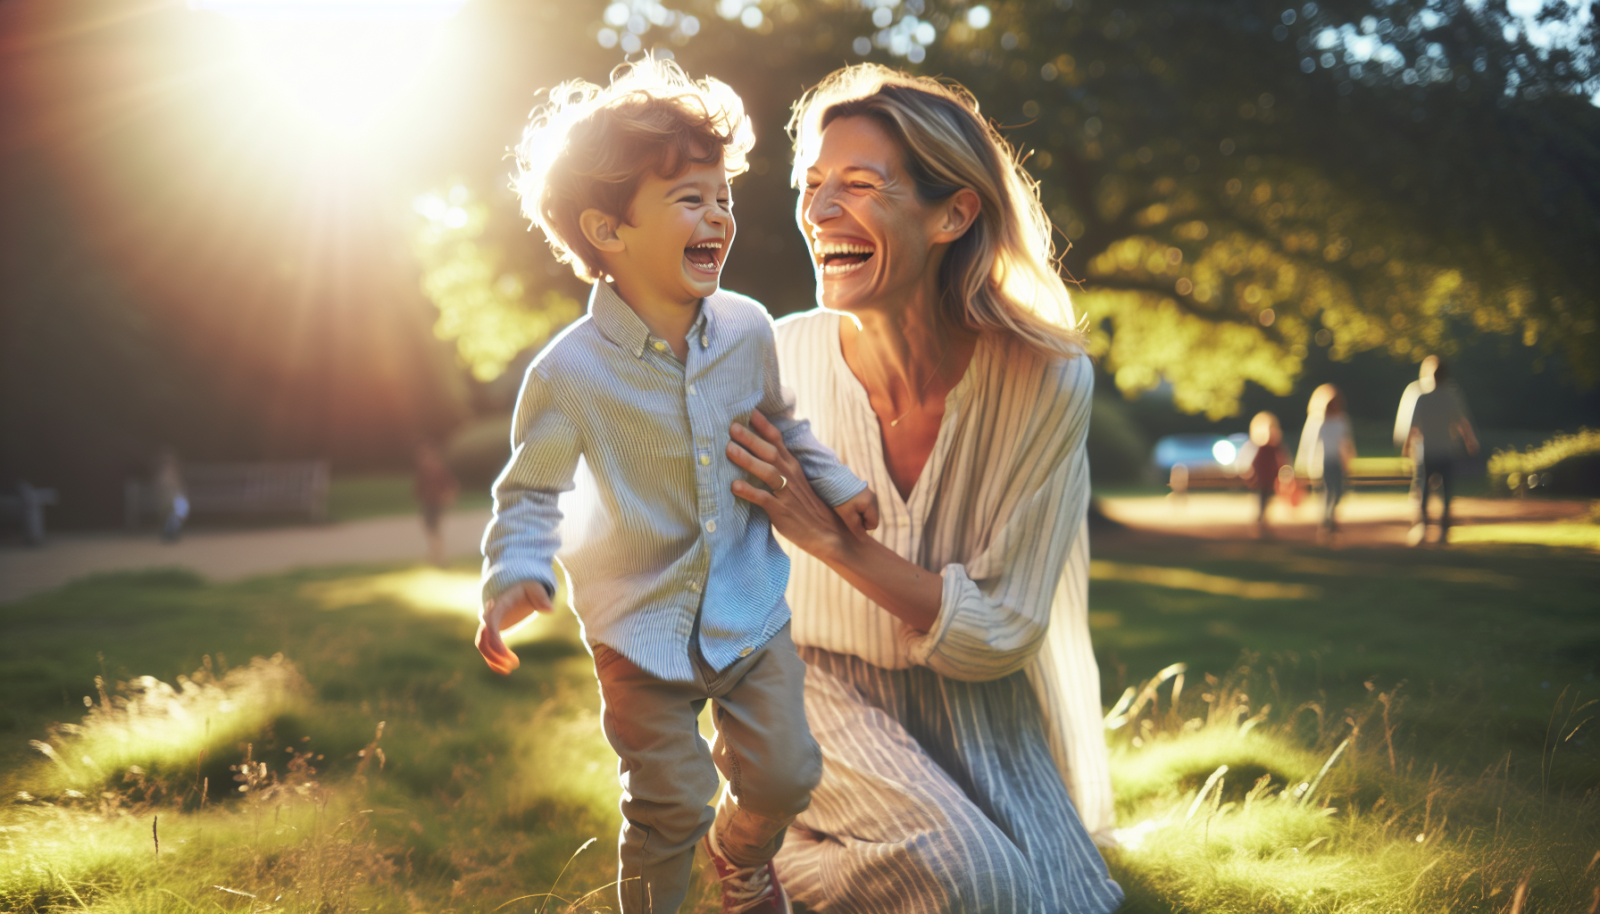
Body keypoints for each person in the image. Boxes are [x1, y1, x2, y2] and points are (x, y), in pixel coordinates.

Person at [475, 59, 878, 914]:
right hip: (639, 624)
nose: (719, 217)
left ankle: (742, 855)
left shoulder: (747, 329)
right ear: (608, 230)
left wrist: (836, 483)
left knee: (786, 773)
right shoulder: (570, 372)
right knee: (668, 805)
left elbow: (784, 426)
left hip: (747, 604)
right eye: (690, 199)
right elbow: (532, 491)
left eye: (722, 197)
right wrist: (514, 574)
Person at [721, 65, 1123, 912]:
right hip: (805, 689)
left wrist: (833, 539)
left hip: (972, 704)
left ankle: (792, 854)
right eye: (812, 185)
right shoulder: (771, 358)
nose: (820, 212)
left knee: (1058, 902)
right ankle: (741, 854)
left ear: (954, 212)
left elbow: (1003, 631)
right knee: (970, 880)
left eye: (859, 186)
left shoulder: (1045, 378)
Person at [1393, 356, 1477, 544]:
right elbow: (1463, 422)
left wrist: (1406, 449)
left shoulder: (1422, 398)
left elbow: (1413, 427)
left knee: (1423, 491)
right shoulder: (1451, 397)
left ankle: (1422, 527)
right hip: (1446, 451)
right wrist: (1470, 441)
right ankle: (1443, 532)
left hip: (1427, 451)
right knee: (1446, 493)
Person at [1295, 384, 1356, 535]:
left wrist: (1349, 458)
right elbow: (1308, 443)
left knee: (1339, 492)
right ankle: (1326, 522)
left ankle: (1329, 519)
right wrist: (1304, 465)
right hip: (1322, 463)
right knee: (1327, 492)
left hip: (1337, 461)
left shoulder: (1342, 420)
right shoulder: (1317, 421)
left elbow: (1346, 441)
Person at [1244, 411, 1289, 538]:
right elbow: (1255, 464)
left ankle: (1263, 524)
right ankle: (1260, 525)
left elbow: (1281, 461)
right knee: (1262, 502)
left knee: (1266, 502)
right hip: (1263, 480)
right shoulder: (1263, 448)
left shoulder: (1274, 448)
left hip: (1270, 479)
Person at [413, 443, 459, 566]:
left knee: (434, 530)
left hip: (436, 503)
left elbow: (451, 487)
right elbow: (419, 489)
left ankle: (439, 556)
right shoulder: (423, 472)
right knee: (430, 529)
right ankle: (435, 554)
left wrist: (448, 499)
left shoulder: (439, 470)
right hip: (427, 503)